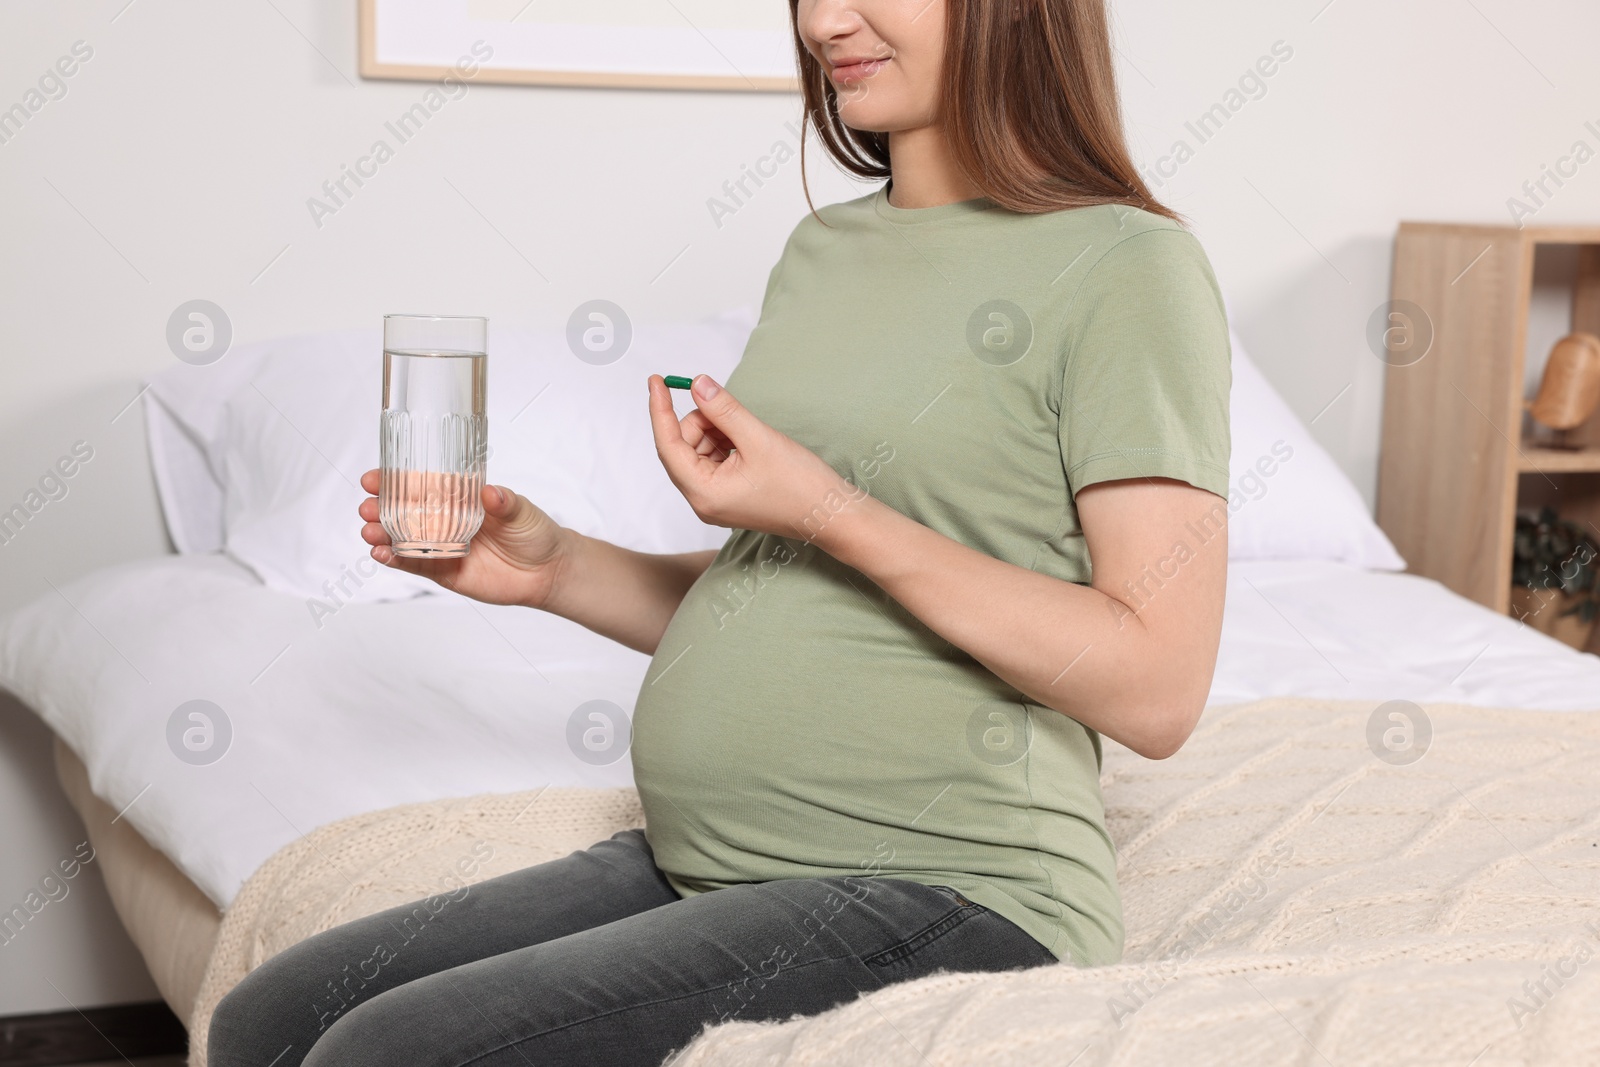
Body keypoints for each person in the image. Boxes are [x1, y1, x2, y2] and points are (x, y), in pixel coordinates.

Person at [208, 0, 1231, 1063]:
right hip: (715, 861)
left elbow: (1156, 684)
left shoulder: (1127, 265)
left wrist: (831, 508)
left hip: (953, 884)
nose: (826, 20)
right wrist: (557, 569)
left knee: (387, 1050)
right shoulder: (825, 247)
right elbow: (789, 580)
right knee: (271, 1017)